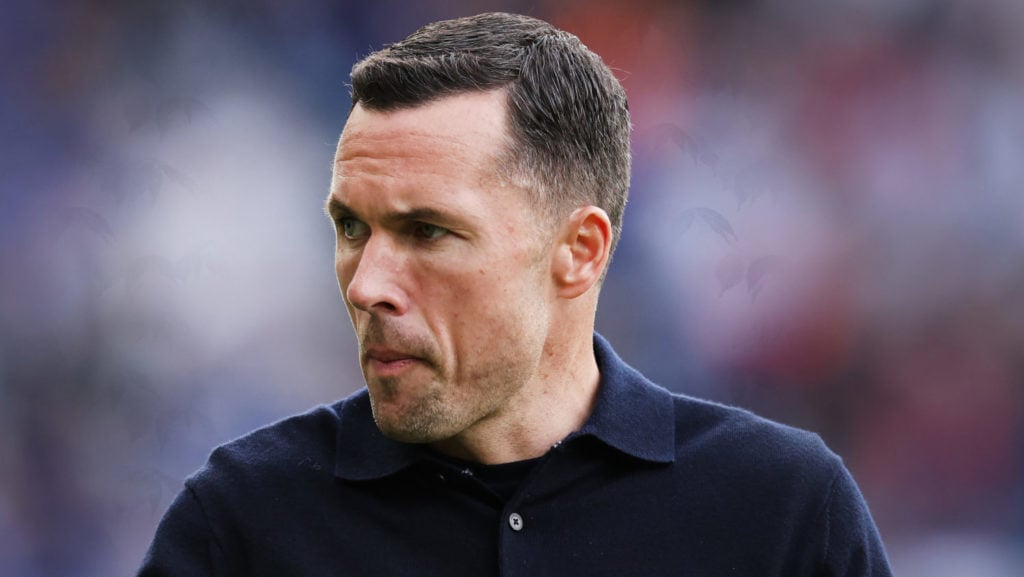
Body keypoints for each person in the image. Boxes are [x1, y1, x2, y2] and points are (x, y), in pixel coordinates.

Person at [138, 12, 892, 576]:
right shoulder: (243, 519)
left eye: (428, 231)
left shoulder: (782, 509)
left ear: (579, 251)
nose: (367, 283)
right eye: (351, 227)